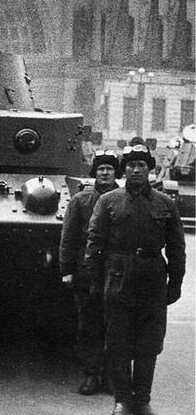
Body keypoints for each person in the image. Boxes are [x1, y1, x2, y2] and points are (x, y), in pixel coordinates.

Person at [85, 145, 186, 415]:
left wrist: (175, 282)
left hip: (153, 278)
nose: (137, 170)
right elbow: (94, 244)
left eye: (142, 165)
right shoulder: (109, 201)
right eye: (131, 165)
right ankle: (122, 401)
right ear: (124, 170)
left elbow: (176, 246)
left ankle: (142, 401)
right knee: (117, 342)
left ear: (149, 169)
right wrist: (96, 281)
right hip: (119, 276)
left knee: (148, 344)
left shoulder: (164, 203)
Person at [59, 150, 121, 395]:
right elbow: (69, 237)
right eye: (101, 169)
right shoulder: (81, 201)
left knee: (117, 325)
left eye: (109, 169)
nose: (105, 173)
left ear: (116, 173)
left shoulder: (127, 199)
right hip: (88, 271)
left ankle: (111, 376)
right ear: (94, 173)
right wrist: (66, 270)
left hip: (118, 271)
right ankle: (91, 374)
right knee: (90, 324)